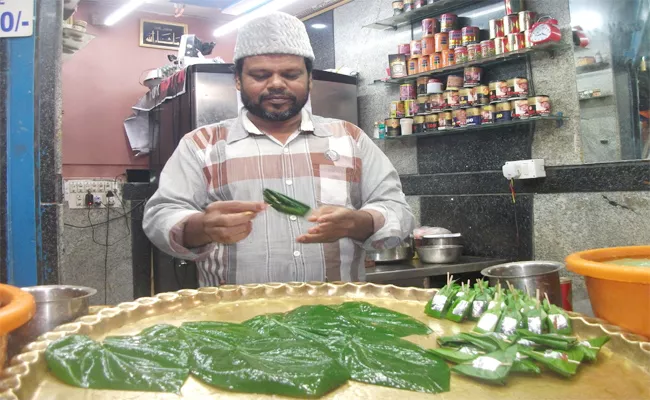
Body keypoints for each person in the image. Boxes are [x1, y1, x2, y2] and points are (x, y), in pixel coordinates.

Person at [143, 11, 414, 286]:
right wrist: (200, 227)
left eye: (290, 74)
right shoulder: (201, 146)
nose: (275, 84)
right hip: (238, 318)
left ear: (310, 79)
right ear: (238, 80)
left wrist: (358, 223)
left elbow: (397, 209)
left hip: (336, 317)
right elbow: (160, 215)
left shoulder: (349, 139)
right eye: (260, 75)